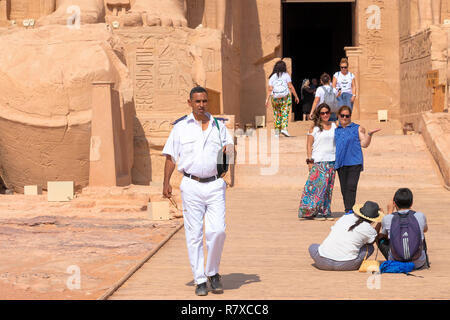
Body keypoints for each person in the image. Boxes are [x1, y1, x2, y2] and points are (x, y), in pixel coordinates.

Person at [162, 86, 235, 296]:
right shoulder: (180, 128)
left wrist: (226, 158)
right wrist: (166, 183)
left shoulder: (219, 126)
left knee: (217, 231)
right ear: (190, 103)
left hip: (214, 185)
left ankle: (213, 271)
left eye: (204, 101)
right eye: (197, 101)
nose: (201, 105)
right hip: (191, 185)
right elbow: (170, 157)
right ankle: (200, 279)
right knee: (194, 235)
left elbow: (229, 148)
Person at [309, 201, 383, 271]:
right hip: (346, 264)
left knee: (313, 246)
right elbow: (372, 241)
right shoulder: (369, 229)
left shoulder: (345, 217)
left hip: (322, 261)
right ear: (373, 218)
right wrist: (380, 223)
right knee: (370, 248)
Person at [335, 106, 381, 215]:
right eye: (342, 116)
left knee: (351, 186)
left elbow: (364, 144)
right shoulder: (335, 129)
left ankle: (349, 210)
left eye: (347, 116)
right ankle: (348, 208)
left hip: (354, 162)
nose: (345, 118)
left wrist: (369, 135)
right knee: (344, 188)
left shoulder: (357, 128)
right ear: (338, 116)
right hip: (340, 162)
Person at [298, 103, 337, 220]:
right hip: (319, 162)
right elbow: (309, 145)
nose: (325, 115)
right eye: (322, 113)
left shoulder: (335, 126)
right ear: (319, 114)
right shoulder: (314, 128)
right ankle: (312, 211)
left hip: (331, 161)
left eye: (327, 113)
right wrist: (309, 162)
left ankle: (325, 211)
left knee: (328, 188)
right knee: (316, 188)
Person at [377, 188, 429, 270]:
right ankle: (425, 261)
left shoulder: (387, 218)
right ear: (412, 203)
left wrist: (390, 211)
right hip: (418, 263)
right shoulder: (420, 216)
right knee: (420, 232)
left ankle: (394, 258)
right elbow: (425, 230)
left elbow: (386, 235)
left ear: (394, 203)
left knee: (380, 237)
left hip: (396, 261)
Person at [265, 60, 299, 137]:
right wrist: (296, 96)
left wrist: (267, 99)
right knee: (284, 113)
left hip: (275, 98)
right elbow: (290, 87)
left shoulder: (272, 77)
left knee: (276, 114)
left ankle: (277, 133)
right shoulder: (286, 75)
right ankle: (284, 129)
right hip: (285, 98)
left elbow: (270, 89)